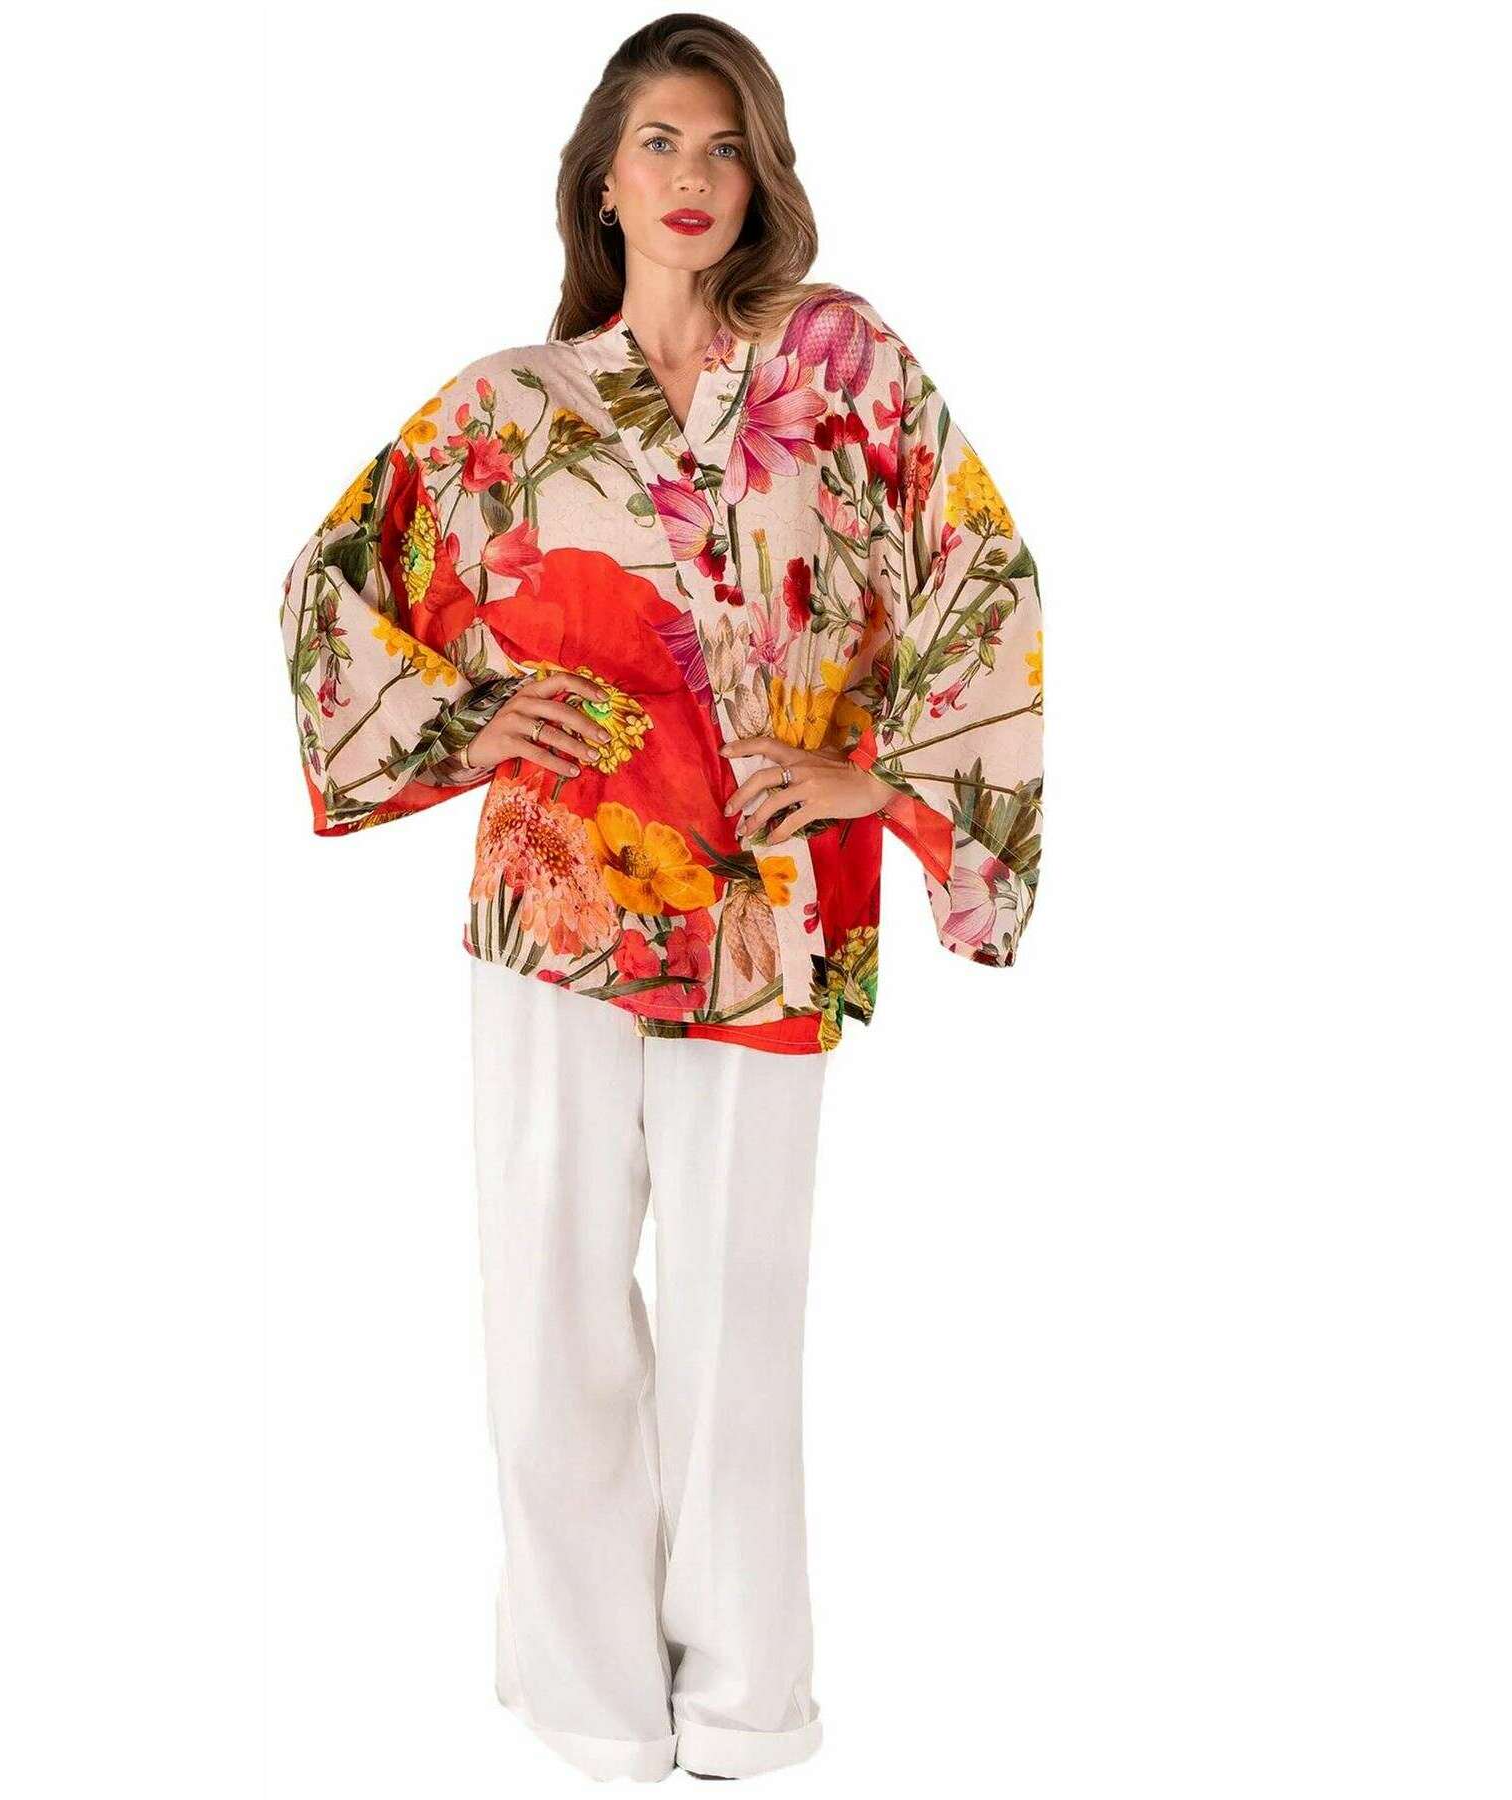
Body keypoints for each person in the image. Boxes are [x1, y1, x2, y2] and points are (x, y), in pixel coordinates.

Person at [277, 12, 1043, 1781]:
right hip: (556, 903)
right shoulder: (508, 405)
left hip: (767, 901)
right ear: (601, 184)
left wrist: (881, 776)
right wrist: (471, 717)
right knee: (547, 1313)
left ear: (761, 177)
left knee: (734, 1324)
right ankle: (588, 1710)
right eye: (659, 146)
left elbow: (981, 569)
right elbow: (335, 584)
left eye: (725, 147)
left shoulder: (841, 368)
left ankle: (750, 1711)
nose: (694, 178)